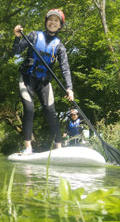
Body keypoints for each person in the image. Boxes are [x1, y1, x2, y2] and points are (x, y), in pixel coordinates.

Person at [12, 9, 74, 155]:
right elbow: (15, 51)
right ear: (46, 22)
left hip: (44, 83)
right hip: (27, 79)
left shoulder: (59, 47)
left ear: (60, 26)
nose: (53, 22)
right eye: (50, 19)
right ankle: (28, 148)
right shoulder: (33, 35)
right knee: (29, 109)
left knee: (51, 113)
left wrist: (69, 88)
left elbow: (65, 68)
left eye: (56, 21)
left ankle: (59, 150)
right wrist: (17, 37)